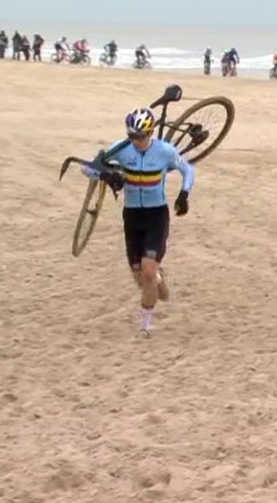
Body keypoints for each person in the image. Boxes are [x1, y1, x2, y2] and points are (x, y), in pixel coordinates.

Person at [81, 108, 194, 337]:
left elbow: (187, 169)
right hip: (132, 216)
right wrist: (104, 174)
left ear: (150, 132)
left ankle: (145, 327)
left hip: (156, 216)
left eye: (140, 137)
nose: (136, 141)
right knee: (142, 279)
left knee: (148, 272)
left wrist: (184, 194)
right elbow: (87, 168)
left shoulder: (164, 151)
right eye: (132, 136)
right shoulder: (121, 149)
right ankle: (158, 277)